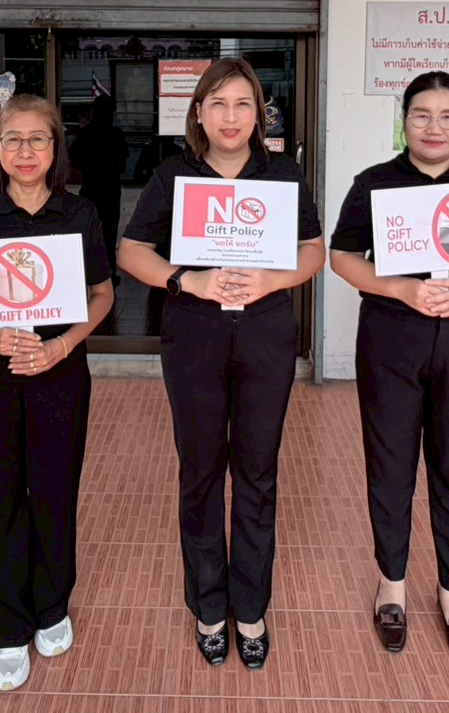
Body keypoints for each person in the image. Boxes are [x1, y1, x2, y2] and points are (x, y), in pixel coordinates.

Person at [118, 58, 325, 671]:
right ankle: (209, 604)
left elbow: (313, 249)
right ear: (199, 113)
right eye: (218, 104)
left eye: (243, 104)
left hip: (264, 333)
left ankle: (251, 606)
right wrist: (188, 280)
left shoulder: (282, 174)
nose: (231, 117)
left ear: (259, 114)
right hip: (195, 335)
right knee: (201, 470)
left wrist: (272, 280)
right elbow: (131, 251)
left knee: (258, 471)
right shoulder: (173, 175)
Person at [329, 71, 449, 664]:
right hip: (392, 336)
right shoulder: (375, 183)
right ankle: (391, 585)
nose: (434, 127)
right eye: (421, 115)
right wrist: (399, 288)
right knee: (390, 464)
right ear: (404, 121)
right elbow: (342, 256)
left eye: (447, 116)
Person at [0, 95, 114, 692]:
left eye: (38, 139)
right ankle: (6, 627)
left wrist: (61, 347)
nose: (25, 151)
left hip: (59, 374)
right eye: (13, 139)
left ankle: (52, 605)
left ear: (56, 147)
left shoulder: (78, 214)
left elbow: (102, 294)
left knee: (55, 489)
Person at [69, 93, 129, 257]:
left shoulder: (85, 134)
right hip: (110, 188)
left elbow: (75, 159)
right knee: (109, 231)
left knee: (87, 230)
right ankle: (108, 265)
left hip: (91, 185)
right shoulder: (116, 133)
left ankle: (88, 263)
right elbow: (123, 163)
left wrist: (88, 171)